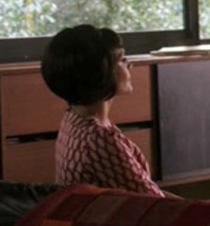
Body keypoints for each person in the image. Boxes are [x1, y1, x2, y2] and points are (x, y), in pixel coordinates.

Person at [41, 24, 165, 197]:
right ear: (100, 71)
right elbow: (155, 203)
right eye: (121, 59)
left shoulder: (74, 119)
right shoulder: (99, 139)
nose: (130, 66)